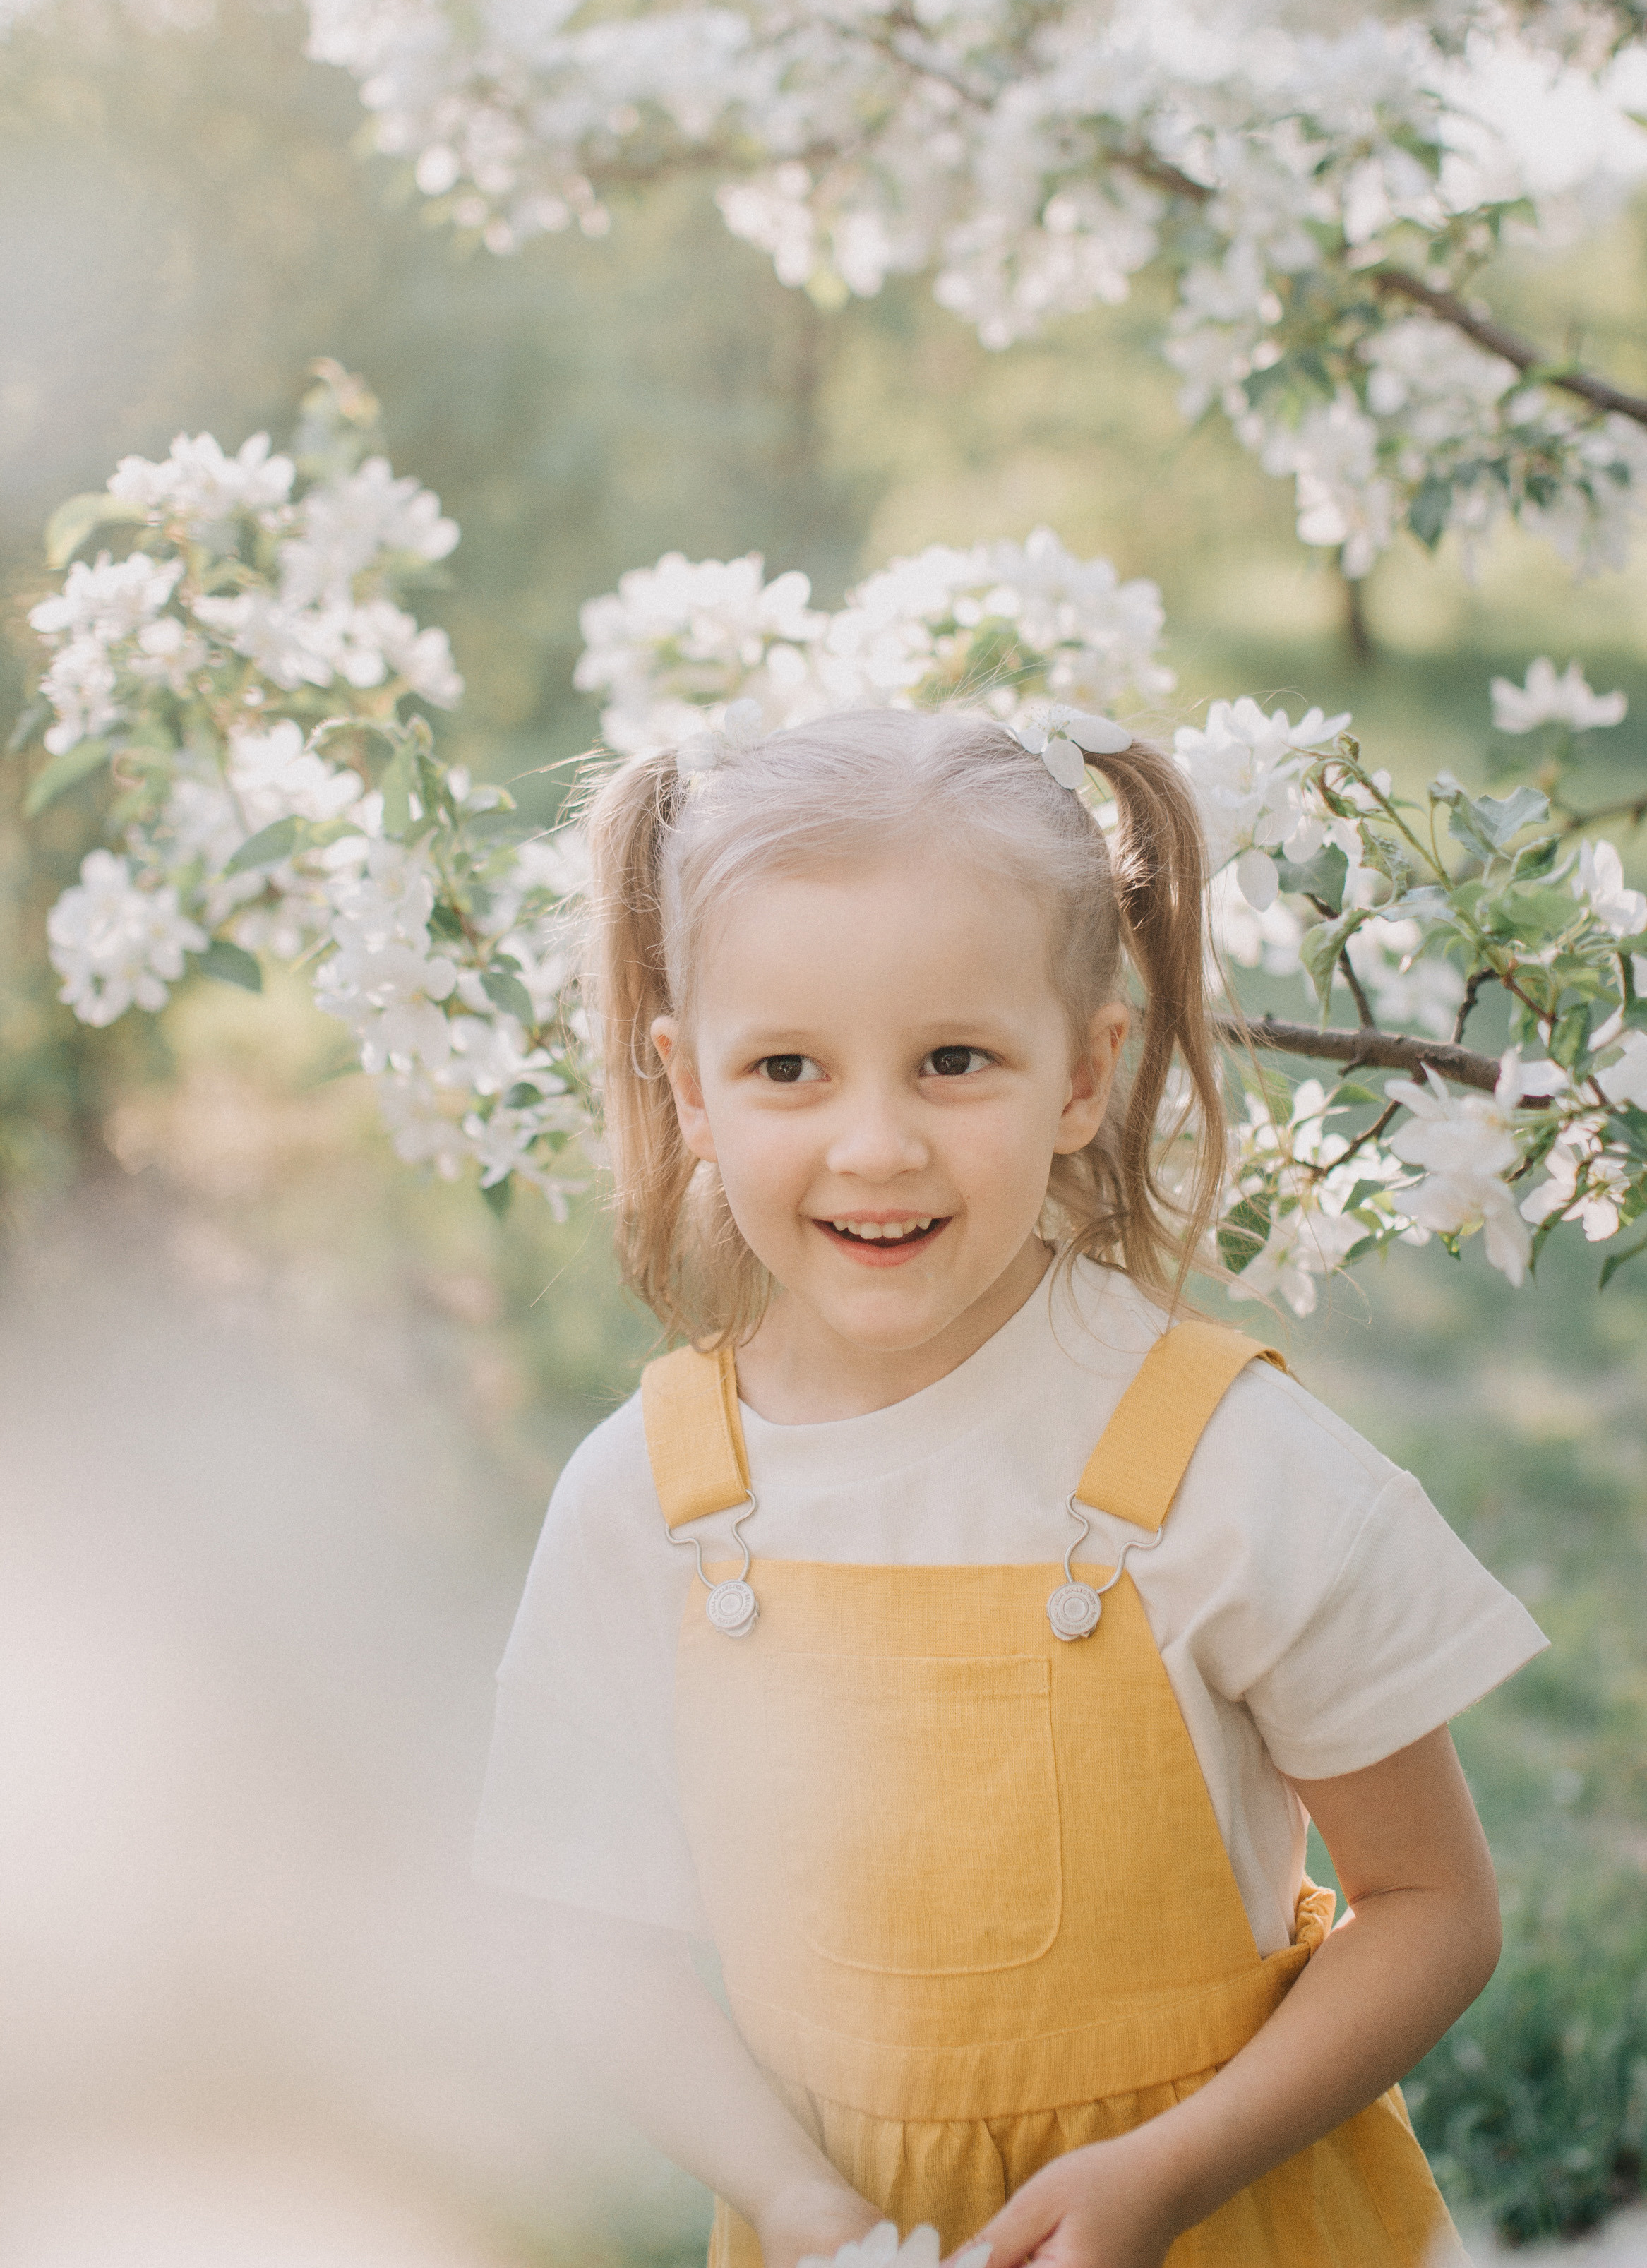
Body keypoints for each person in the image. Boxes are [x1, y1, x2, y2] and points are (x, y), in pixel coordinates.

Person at [474, 706, 1546, 2268]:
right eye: (786, 1066)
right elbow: (597, 1943)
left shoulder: (1229, 1467)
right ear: (690, 1086)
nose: (875, 1145)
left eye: (954, 1060)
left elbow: (1434, 1904)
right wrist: (794, 2200)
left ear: (1083, 1074)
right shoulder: (646, 1500)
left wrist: (1164, 2177)